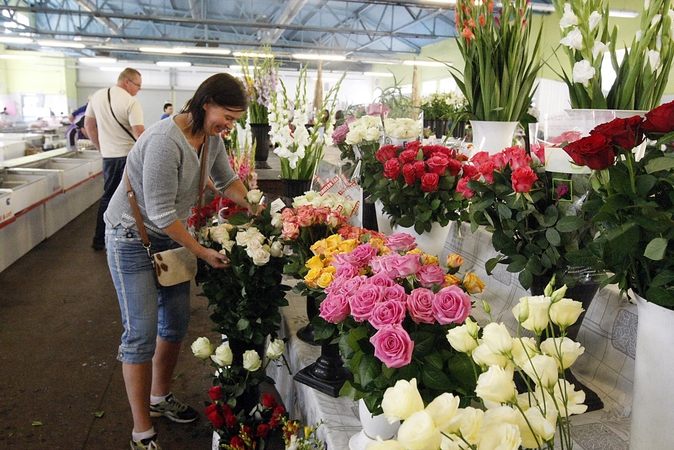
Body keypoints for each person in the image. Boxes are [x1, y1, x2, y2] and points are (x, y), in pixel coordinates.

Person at [104, 73, 256, 450]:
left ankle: (159, 398)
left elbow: (226, 181)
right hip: (131, 238)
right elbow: (158, 212)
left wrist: (254, 204)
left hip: (168, 240)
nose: (229, 125)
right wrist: (203, 252)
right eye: (227, 115)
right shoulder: (162, 142)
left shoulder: (211, 140)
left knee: (174, 324)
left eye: (235, 120)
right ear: (206, 103)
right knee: (140, 333)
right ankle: (142, 431)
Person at [85, 68, 145, 251]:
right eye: (138, 85)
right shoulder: (130, 102)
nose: (139, 89)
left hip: (109, 158)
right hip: (128, 157)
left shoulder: (97, 97)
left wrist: (101, 148)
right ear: (127, 81)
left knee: (108, 197)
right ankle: (131, 237)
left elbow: (89, 126)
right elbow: (139, 132)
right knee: (133, 197)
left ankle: (99, 239)